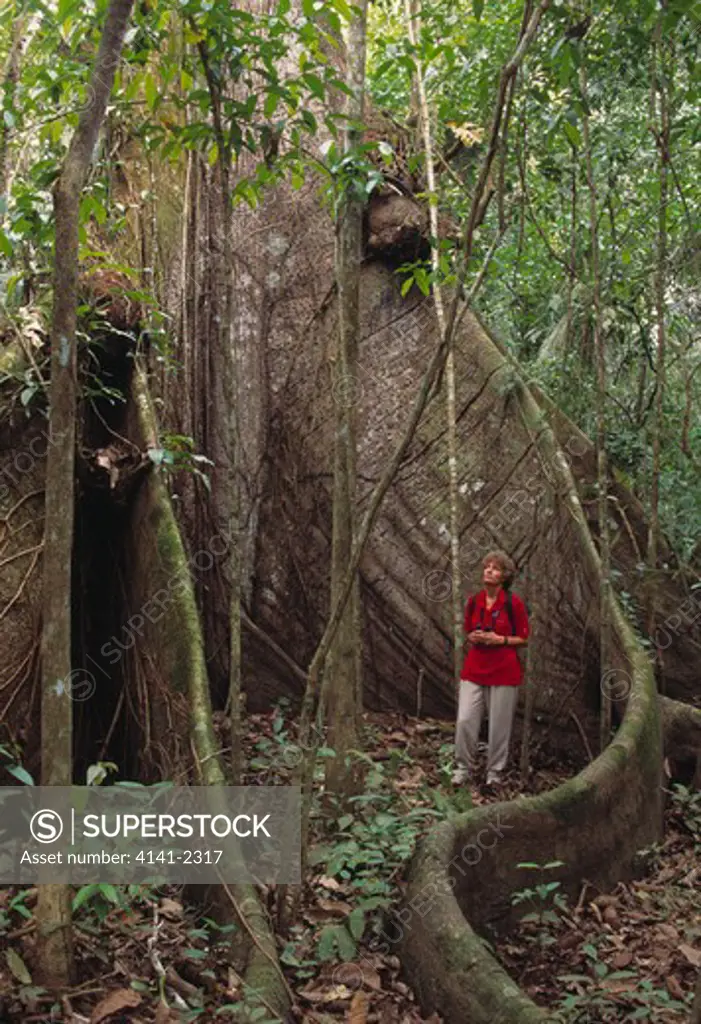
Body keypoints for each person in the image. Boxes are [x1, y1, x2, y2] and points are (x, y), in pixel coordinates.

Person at [453, 551, 529, 790]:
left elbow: (524, 638)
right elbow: (467, 629)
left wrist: (501, 640)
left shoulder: (512, 603)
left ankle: (494, 773)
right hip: (475, 668)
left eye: (495, 568)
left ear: (504, 576)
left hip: (504, 671)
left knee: (499, 725)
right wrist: (473, 636)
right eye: (487, 566)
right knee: (465, 719)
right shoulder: (474, 601)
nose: (488, 570)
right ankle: (462, 769)